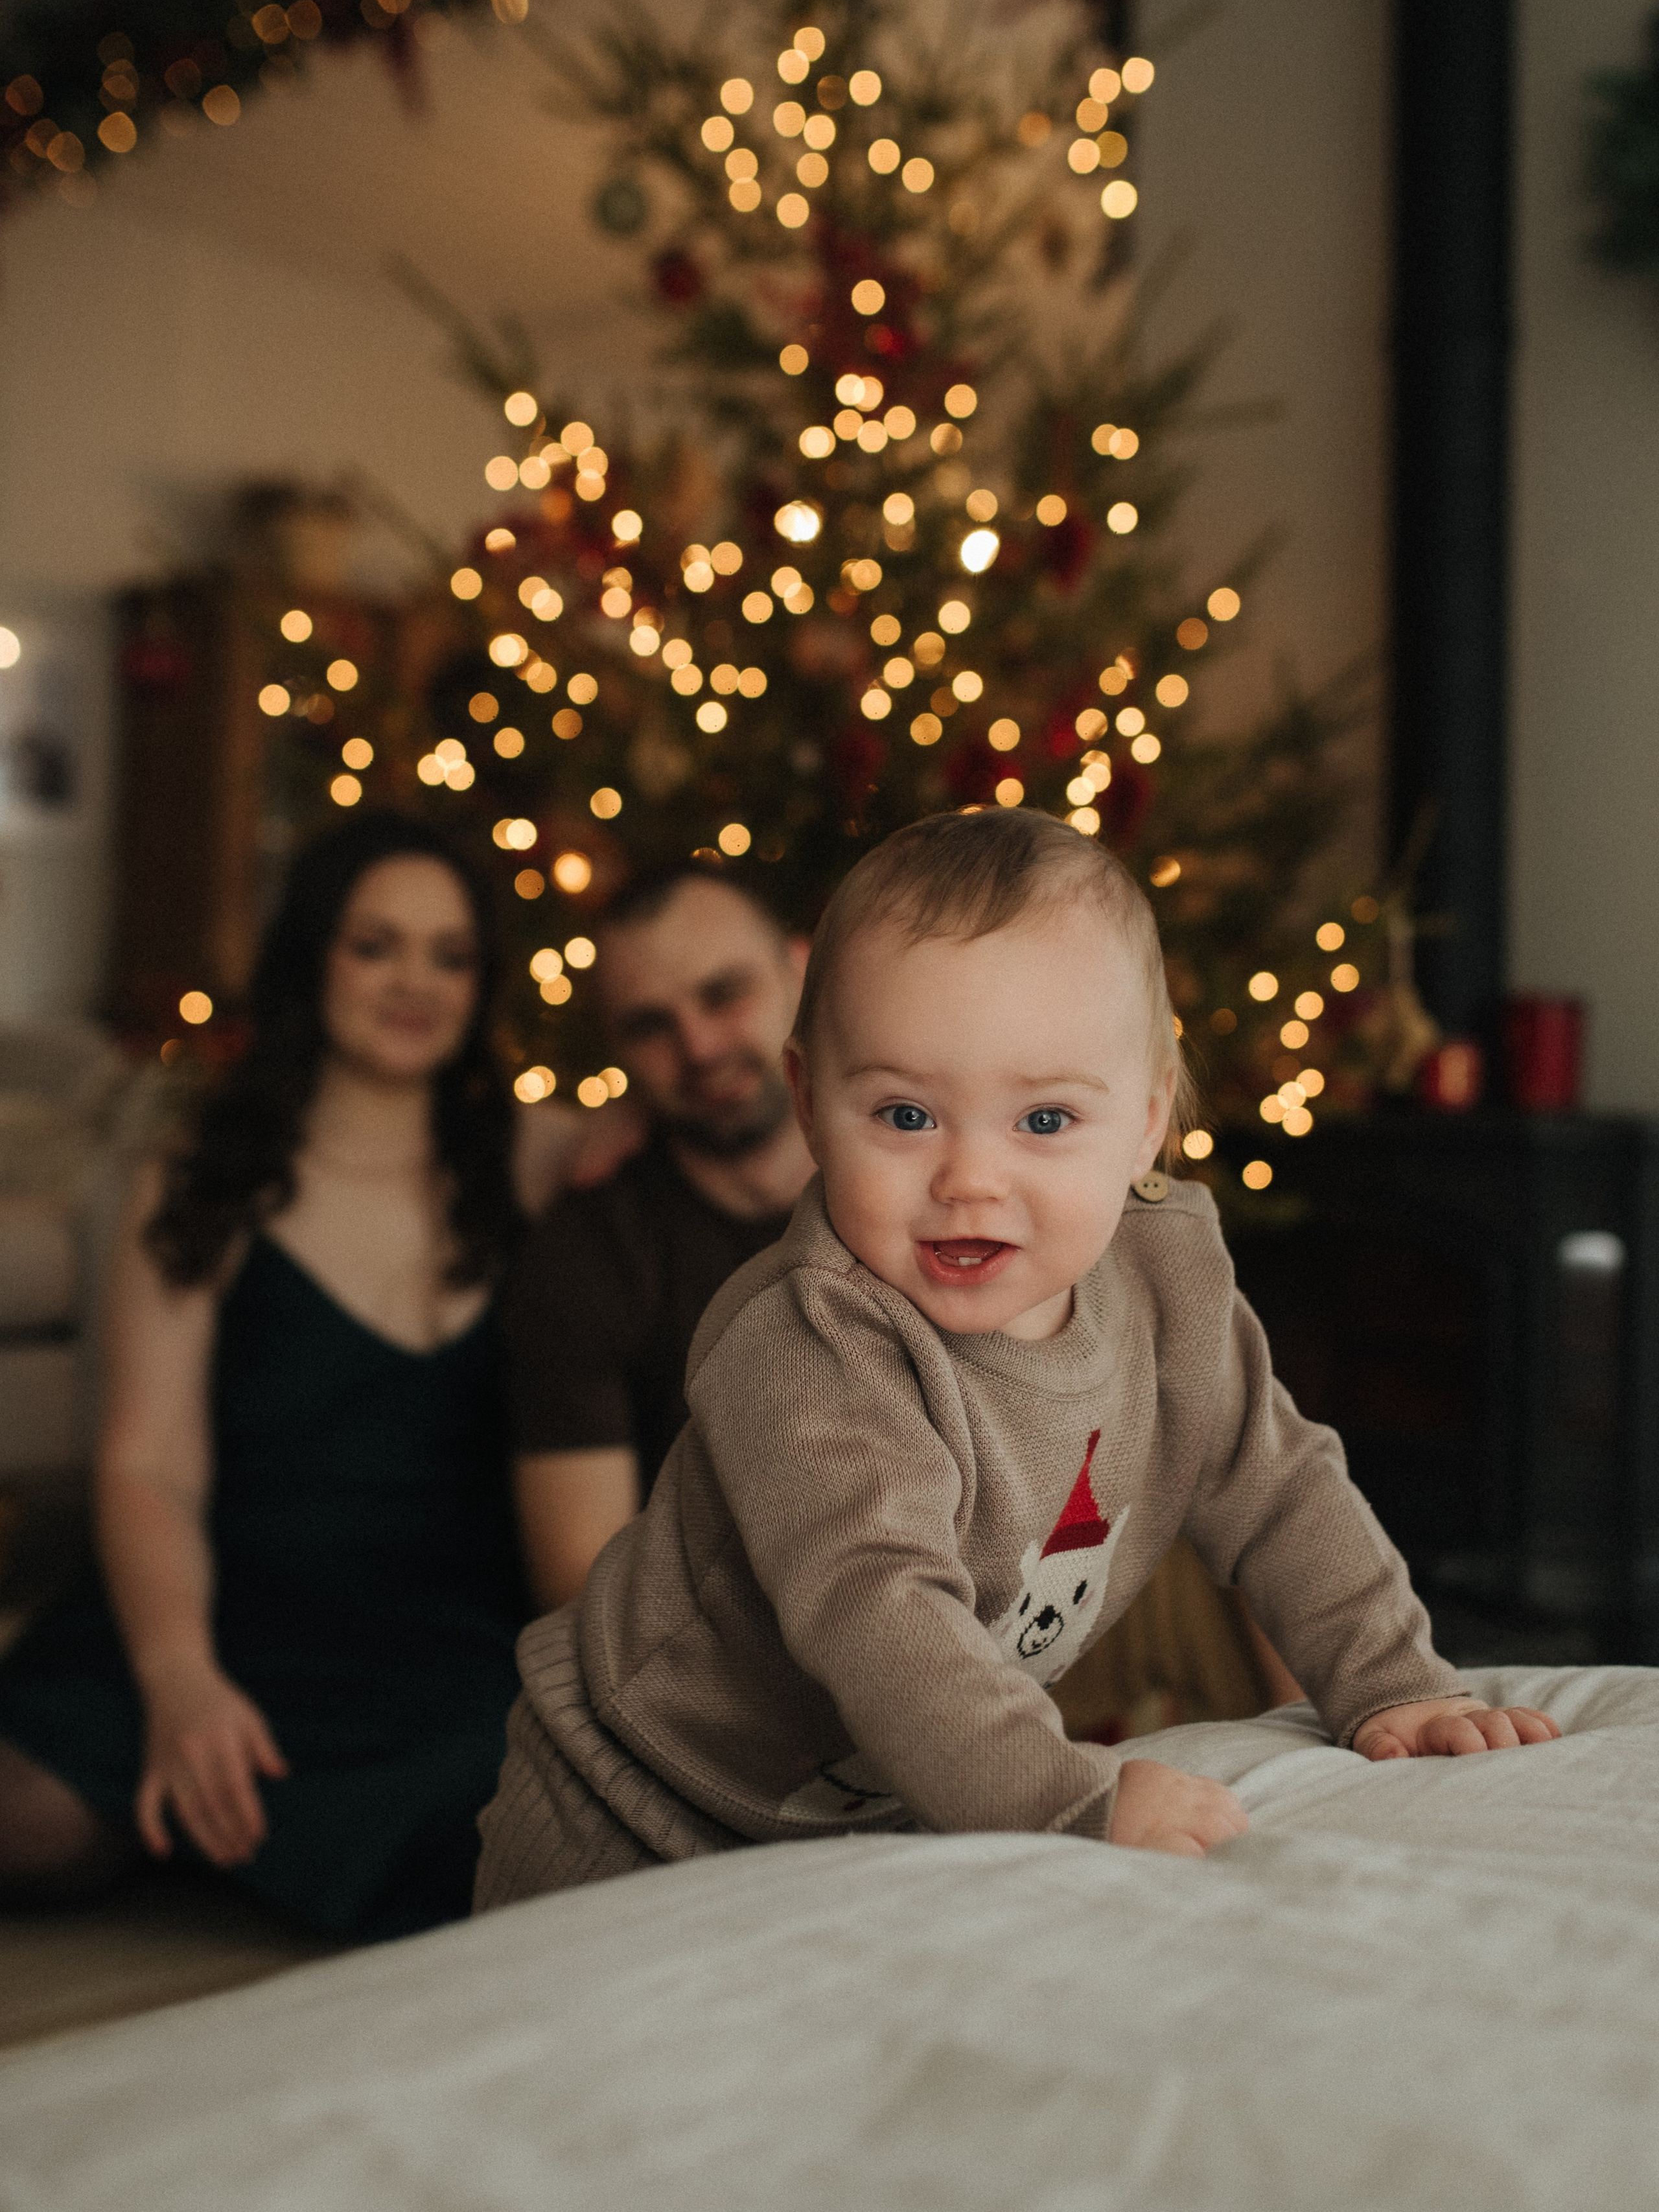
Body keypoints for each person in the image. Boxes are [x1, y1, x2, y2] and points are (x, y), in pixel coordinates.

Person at [476, 808, 1559, 1903]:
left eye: (1043, 1121)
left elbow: (1280, 1487)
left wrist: (1391, 1687)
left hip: (863, 1821)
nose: (970, 1178)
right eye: (905, 1113)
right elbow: (880, 1614)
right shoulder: (809, 1344)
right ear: (810, 1104)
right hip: (631, 1801)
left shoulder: (1169, 1285)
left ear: (1146, 1123)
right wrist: (1069, 1800)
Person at [0, 812, 592, 1938]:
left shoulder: (536, 1156)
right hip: (218, 1609)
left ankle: (249, 1832)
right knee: (30, 1819)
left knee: (526, 1813)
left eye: (450, 954)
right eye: (376, 944)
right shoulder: (201, 1177)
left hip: (437, 1650)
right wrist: (178, 1679)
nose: (415, 980)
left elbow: (719, 1133)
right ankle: (211, 1800)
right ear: (312, 955)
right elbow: (147, 1462)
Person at [505, 865, 814, 1612]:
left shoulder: (926, 1170)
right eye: (650, 1025)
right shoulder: (587, 1251)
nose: (700, 1047)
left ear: (803, 970)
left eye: (723, 994)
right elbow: (583, 1589)